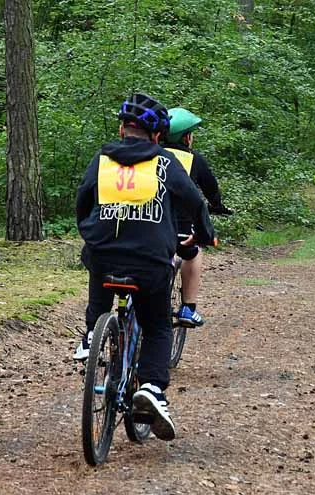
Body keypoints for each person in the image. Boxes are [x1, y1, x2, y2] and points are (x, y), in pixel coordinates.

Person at [74, 93, 216, 441]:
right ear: (156, 136)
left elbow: (83, 198)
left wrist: (90, 232)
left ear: (122, 128)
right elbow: (195, 201)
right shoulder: (165, 163)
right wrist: (201, 234)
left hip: (104, 256)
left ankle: (93, 334)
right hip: (150, 262)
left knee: (98, 274)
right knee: (157, 326)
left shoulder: (102, 160)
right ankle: (151, 388)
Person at [162, 107, 232, 328]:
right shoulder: (194, 160)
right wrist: (217, 205)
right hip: (180, 229)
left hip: (147, 223)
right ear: (187, 137)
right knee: (193, 252)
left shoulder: (150, 155)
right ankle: (188, 308)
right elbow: (210, 189)